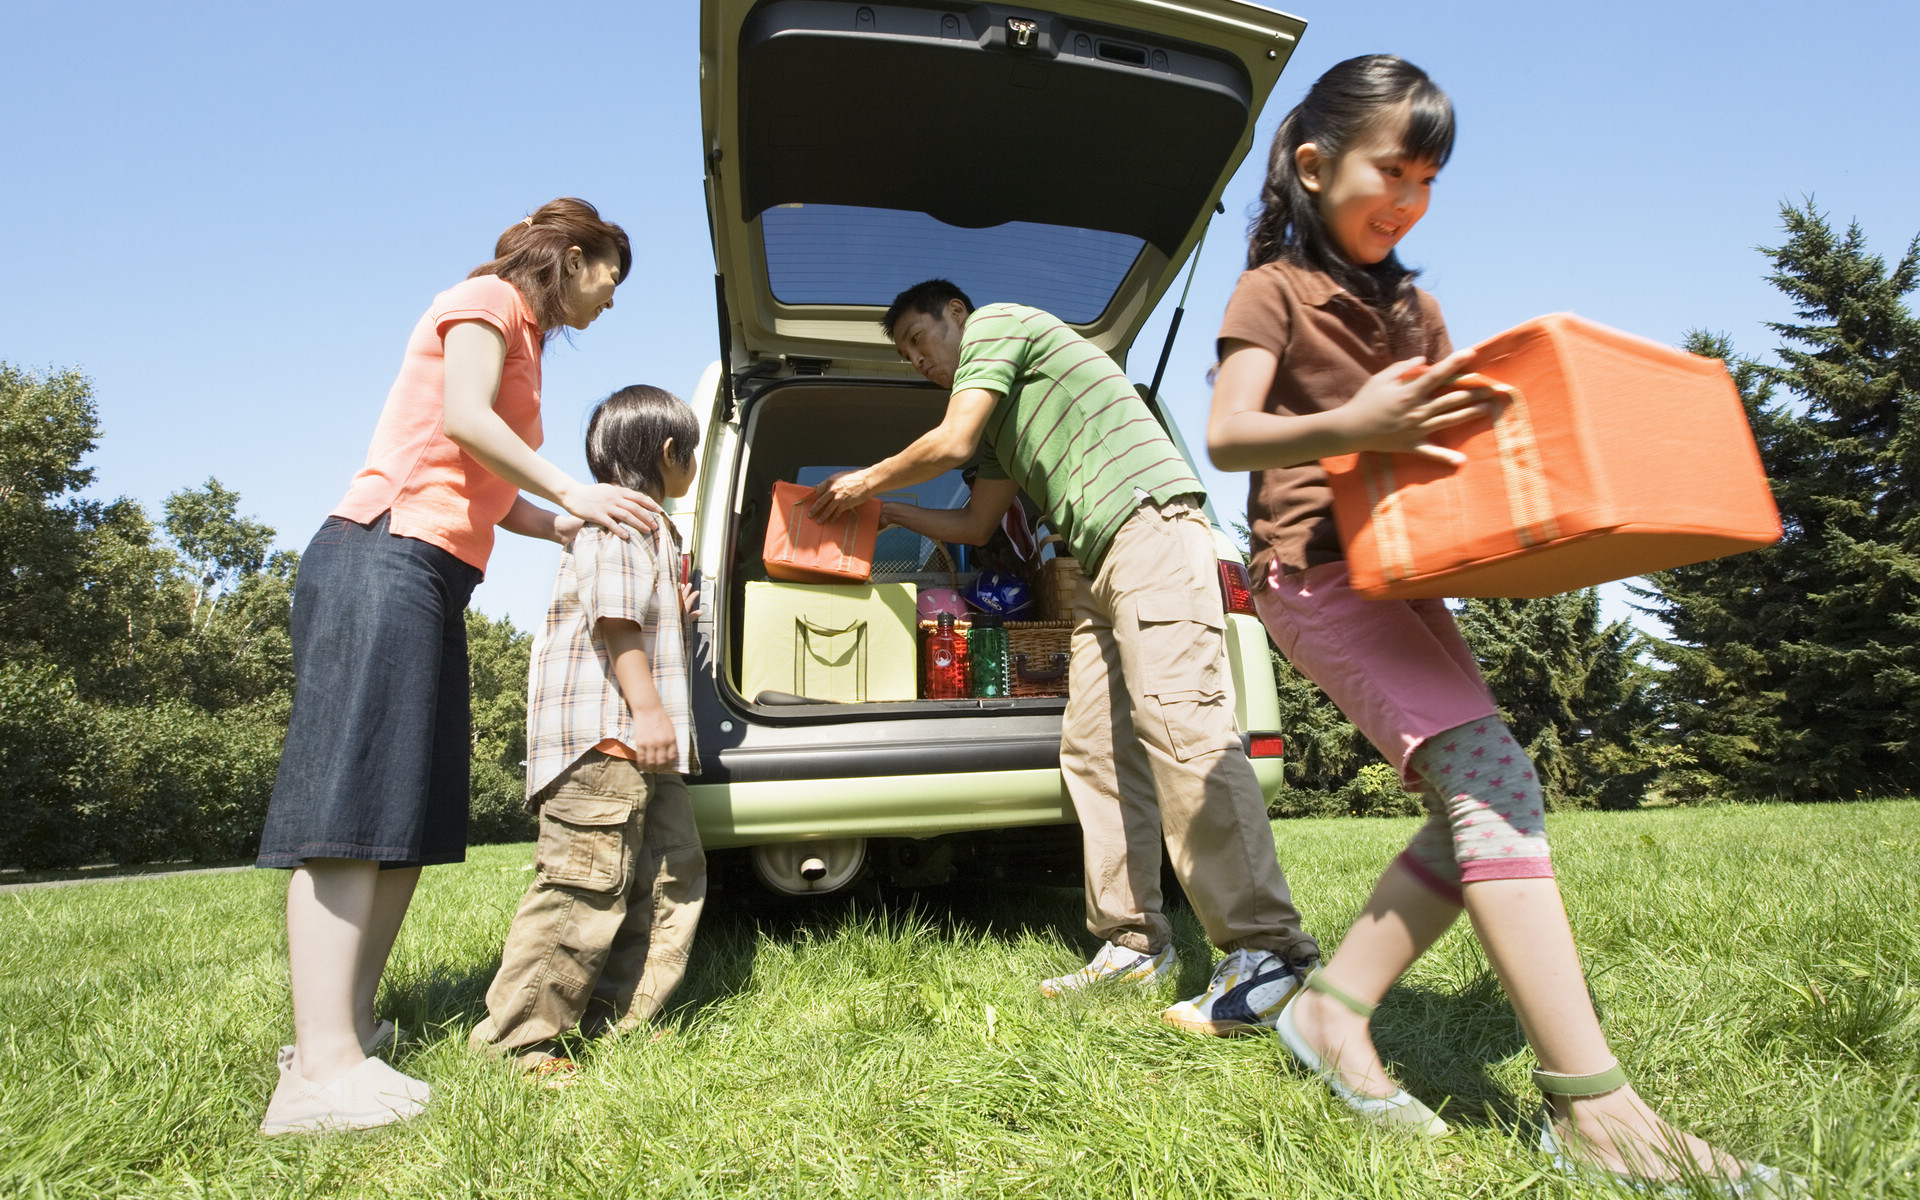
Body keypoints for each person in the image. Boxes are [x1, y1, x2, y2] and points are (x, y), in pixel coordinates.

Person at [1206, 55, 1797, 1193]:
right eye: (1393, 169)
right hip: (1311, 576)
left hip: (1404, 576)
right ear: (1317, 165)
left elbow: (1453, 450)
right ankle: (1598, 1113)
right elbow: (1231, 432)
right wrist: (1355, 419)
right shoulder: (1271, 291)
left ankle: (1330, 1016)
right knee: (1492, 780)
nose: (1410, 199)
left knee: (1483, 793)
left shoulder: (1415, 306)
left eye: (1429, 179)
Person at [809, 280, 1322, 1035]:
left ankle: (1271, 953)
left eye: (919, 340)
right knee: (1093, 750)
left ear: (957, 314)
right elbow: (978, 523)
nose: (917, 360)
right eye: (906, 354)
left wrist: (865, 479)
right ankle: (1132, 943)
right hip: (1091, 566)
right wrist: (884, 512)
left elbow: (947, 442)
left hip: (1149, 529)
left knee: (1182, 730)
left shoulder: (1001, 324)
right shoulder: (998, 427)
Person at [255, 199, 661, 1135]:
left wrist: (556, 519)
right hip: (382, 549)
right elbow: (465, 419)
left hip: (436, 570)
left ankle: (348, 1033)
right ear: (572, 254)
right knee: (352, 808)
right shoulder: (485, 300)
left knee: (403, 816)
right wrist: (572, 487)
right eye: (610, 277)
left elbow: (484, 478)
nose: (609, 301)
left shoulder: (527, 340)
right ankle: (317, 1070)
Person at [469, 385, 706, 1083]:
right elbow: (614, 619)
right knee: (582, 886)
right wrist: (650, 712)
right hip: (608, 740)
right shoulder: (620, 524)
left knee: (668, 874)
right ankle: (519, 1041)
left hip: (640, 746)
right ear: (670, 454)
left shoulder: (652, 531)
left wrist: (679, 613)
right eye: (691, 452)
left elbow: (639, 614)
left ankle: (619, 1018)